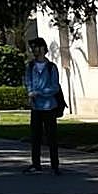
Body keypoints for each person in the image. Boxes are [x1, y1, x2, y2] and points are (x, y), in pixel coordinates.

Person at [24, 37, 62, 175]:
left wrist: (39, 92)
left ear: (42, 49)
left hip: (49, 106)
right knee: (35, 137)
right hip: (36, 107)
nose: (34, 51)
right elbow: (28, 81)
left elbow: (55, 87)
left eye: (36, 47)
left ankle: (54, 165)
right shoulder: (30, 66)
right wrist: (30, 93)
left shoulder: (51, 67)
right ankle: (36, 164)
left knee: (51, 137)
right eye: (32, 48)